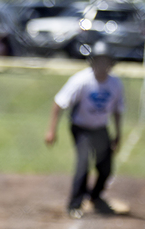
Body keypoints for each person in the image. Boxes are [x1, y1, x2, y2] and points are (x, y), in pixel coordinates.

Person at [45, 41, 125, 219]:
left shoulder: (115, 84)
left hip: (101, 128)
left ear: (111, 63)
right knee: (83, 164)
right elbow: (59, 103)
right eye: (98, 61)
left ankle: (95, 197)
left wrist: (118, 134)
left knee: (106, 168)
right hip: (81, 128)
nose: (102, 65)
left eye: (105, 61)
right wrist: (52, 131)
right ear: (92, 62)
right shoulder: (81, 80)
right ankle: (74, 204)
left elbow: (117, 111)